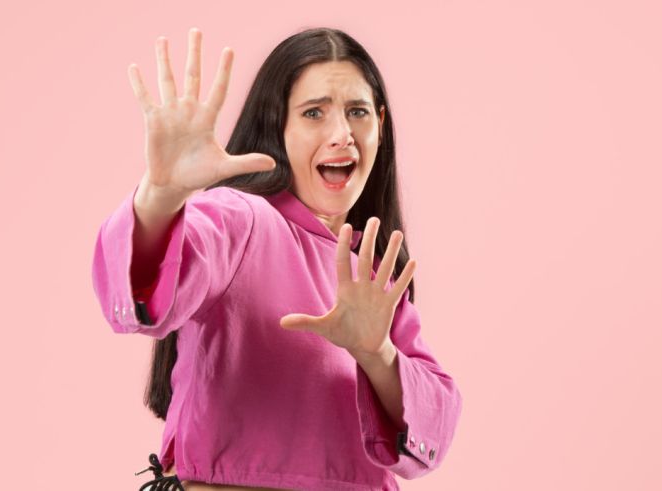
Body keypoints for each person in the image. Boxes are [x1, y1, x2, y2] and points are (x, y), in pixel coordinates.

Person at [91, 26, 463, 491]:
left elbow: (434, 429)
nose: (341, 134)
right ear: (277, 126)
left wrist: (377, 353)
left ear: (380, 124)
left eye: (357, 112)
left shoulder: (374, 278)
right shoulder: (240, 218)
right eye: (314, 113)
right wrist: (161, 196)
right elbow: (144, 290)